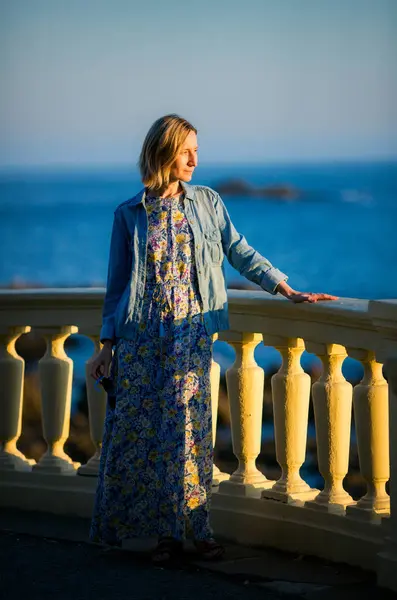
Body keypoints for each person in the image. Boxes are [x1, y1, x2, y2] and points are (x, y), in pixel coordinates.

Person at [89, 114, 338, 564]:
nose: (194, 160)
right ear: (164, 152)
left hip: (189, 337)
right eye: (187, 151)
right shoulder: (129, 214)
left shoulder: (207, 203)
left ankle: (199, 530)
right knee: (146, 438)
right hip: (142, 339)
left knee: (190, 433)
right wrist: (107, 346)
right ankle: (165, 535)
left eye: (197, 151)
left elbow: (239, 251)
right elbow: (117, 285)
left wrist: (286, 288)